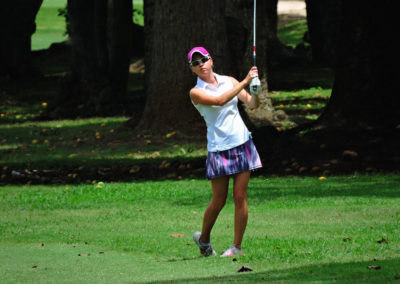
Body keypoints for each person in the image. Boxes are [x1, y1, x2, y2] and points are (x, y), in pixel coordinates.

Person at [188, 46, 263, 257]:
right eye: (195, 63)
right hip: (218, 149)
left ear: (211, 60)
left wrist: (255, 90)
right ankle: (204, 240)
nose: (200, 64)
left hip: (242, 142)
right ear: (192, 69)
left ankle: (236, 247)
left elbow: (252, 104)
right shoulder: (196, 92)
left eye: (203, 59)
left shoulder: (229, 81)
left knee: (240, 196)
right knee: (218, 201)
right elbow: (220, 101)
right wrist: (245, 81)